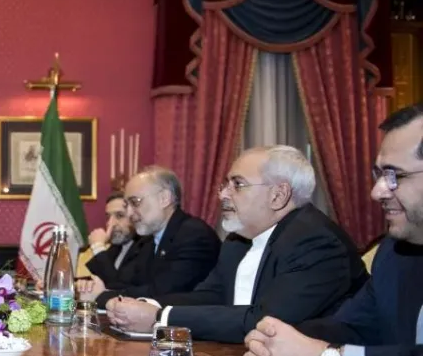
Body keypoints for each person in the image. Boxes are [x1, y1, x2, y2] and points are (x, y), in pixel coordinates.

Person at [98, 146, 366, 343]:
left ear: (278, 195)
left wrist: (160, 318)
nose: (223, 194)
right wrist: (146, 305)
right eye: (225, 184)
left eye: (237, 184)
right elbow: (210, 296)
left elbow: (265, 322)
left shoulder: (315, 241)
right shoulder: (238, 240)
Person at [245, 105, 423, 356]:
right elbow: (354, 327)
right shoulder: (393, 253)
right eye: (379, 175)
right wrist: (277, 340)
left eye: (394, 175)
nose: (377, 192)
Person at [88, 166, 220, 305]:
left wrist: (101, 296)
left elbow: (160, 293)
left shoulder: (193, 235)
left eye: (135, 202)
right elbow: (127, 284)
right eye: (127, 206)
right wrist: (91, 288)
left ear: (164, 198)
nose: (129, 213)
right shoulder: (148, 241)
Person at [84, 192, 144, 288]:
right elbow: (101, 278)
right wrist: (85, 284)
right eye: (108, 217)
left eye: (119, 215)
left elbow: (117, 287)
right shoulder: (115, 247)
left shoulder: (146, 246)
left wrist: (98, 247)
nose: (110, 223)